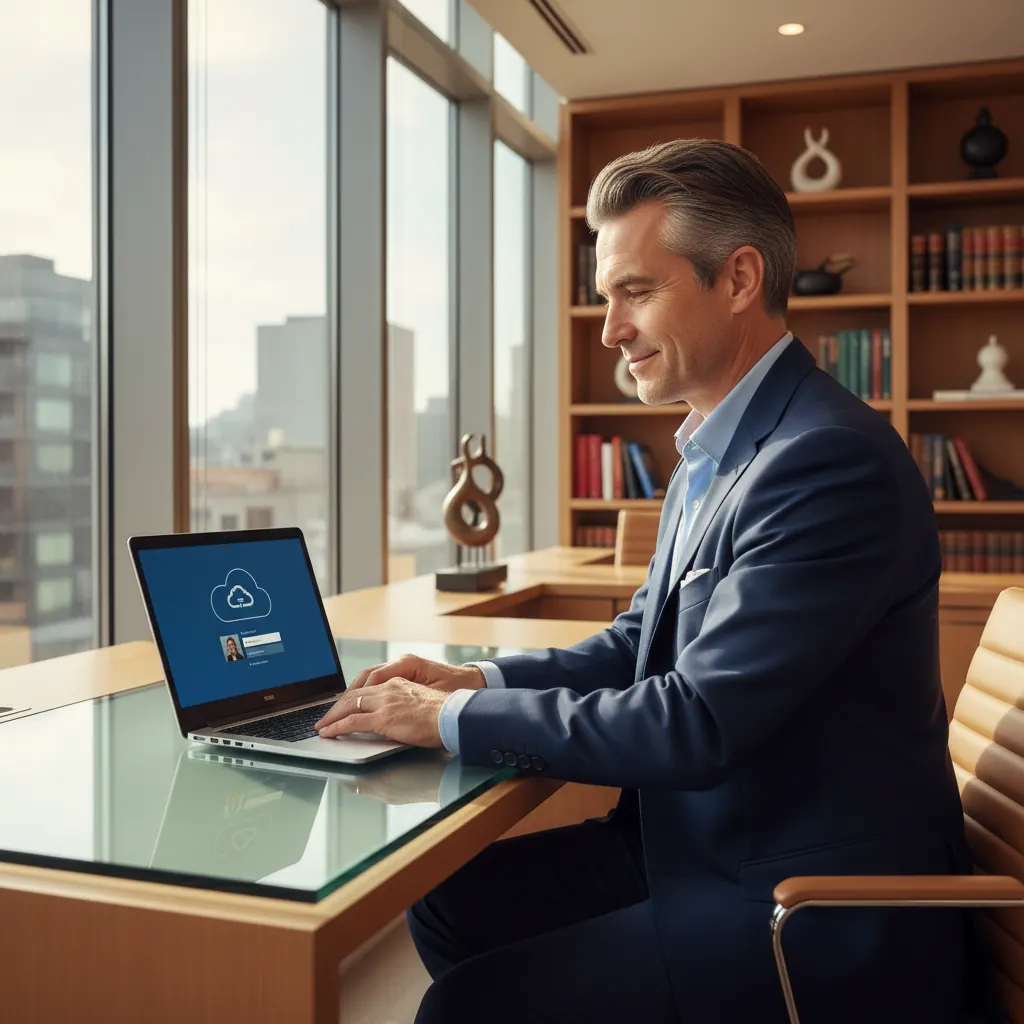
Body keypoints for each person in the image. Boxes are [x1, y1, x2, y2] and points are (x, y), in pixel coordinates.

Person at [315, 139, 971, 1024]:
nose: (609, 330)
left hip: (805, 901)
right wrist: (476, 682)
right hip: (698, 844)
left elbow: (694, 720)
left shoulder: (825, 461)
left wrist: (443, 722)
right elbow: (641, 645)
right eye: (605, 297)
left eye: (635, 291)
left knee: (465, 1008)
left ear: (738, 279)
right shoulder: (716, 447)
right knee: (446, 899)